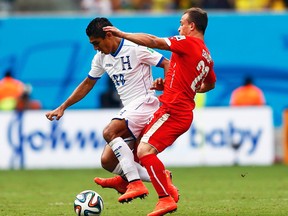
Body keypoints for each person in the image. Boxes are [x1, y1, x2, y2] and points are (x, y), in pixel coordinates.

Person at [45, 17, 178, 204]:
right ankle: (163, 178)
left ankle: (134, 183)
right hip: (130, 110)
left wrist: (167, 87)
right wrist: (63, 106)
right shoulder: (101, 57)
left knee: (109, 131)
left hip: (145, 103)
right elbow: (87, 83)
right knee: (107, 161)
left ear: (108, 35)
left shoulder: (135, 47)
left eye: (96, 43)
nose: (95, 48)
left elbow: (167, 62)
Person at [104, 7, 216, 215]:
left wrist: (122, 34)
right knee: (138, 144)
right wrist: (175, 86)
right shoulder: (206, 56)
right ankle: (127, 181)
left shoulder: (187, 42)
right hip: (176, 108)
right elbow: (209, 84)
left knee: (144, 151)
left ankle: (165, 197)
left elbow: (153, 41)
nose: (179, 27)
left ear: (192, 26)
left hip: (173, 111)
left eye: (182, 23)